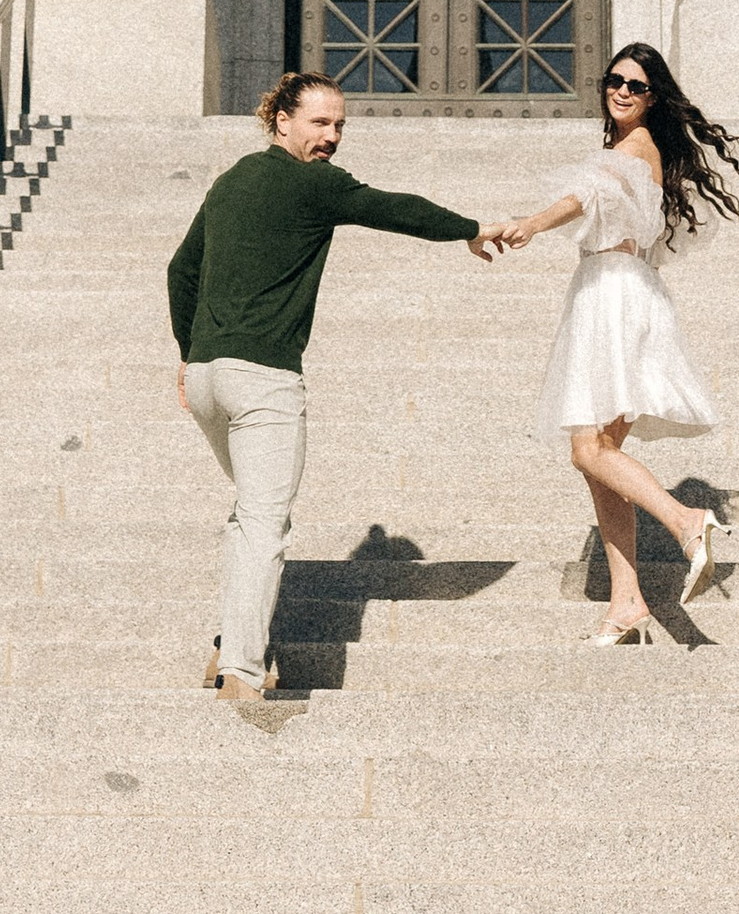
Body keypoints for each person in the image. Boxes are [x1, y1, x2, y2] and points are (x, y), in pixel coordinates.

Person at [168, 70, 499, 707]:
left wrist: (191, 356)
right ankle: (240, 674)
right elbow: (393, 209)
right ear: (281, 120)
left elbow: (180, 271)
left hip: (209, 378)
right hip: (263, 380)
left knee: (250, 514)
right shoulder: (315, 183)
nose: (332, 137)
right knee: (263, 522)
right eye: (319, 123)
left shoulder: (230, 181)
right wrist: (471, 228)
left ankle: (227, 642)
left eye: (340, 125)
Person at [491, 39, 739, 643]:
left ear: (653, 97)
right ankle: (628, 603)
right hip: (621, 289)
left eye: (636, 85)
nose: (621, 91)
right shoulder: (637, 149)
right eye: (614, 80)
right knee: (601, 457)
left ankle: (686, 520)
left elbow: (582, 197)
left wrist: (531, 223)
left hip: (611, 294)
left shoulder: (632, 149)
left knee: (588, 450)